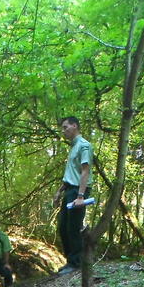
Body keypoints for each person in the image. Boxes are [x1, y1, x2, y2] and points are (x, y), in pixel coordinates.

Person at [53, 116, 93, 275]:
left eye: (65, 127)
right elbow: (71, 174)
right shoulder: (74, 147)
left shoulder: (84, 145)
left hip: (78, 191)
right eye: (62, 128)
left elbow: (85, 171)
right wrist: (59, 191)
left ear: (75, 126)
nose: (63, 131)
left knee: (73, 227)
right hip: (69, 190)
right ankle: (71, 261)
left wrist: (81, 196)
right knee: (63, 227)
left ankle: (76, 263)